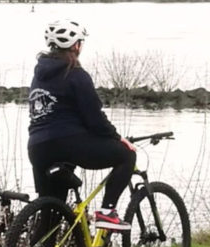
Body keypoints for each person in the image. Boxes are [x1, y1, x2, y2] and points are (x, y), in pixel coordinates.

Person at [27, 19, 137, 232]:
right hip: (67, 143)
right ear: (76, 45)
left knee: (51, 209)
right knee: (126, 155)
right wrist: (117, 138)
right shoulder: (77, 75)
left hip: (37, 148)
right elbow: (94, 119)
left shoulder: (38, 76)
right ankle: (107, 212)